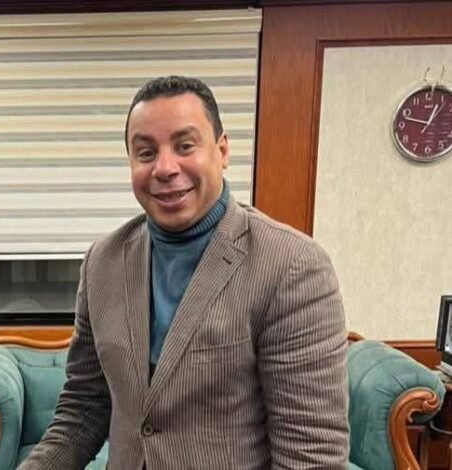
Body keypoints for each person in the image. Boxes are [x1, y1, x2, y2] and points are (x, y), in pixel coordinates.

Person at [18, 76, 348, 469]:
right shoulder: (102, 263)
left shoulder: (292, 267)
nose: (164, 168)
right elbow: (82, 411)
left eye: (184, 146)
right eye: (145, 152)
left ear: (222, 151)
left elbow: (311, 457)